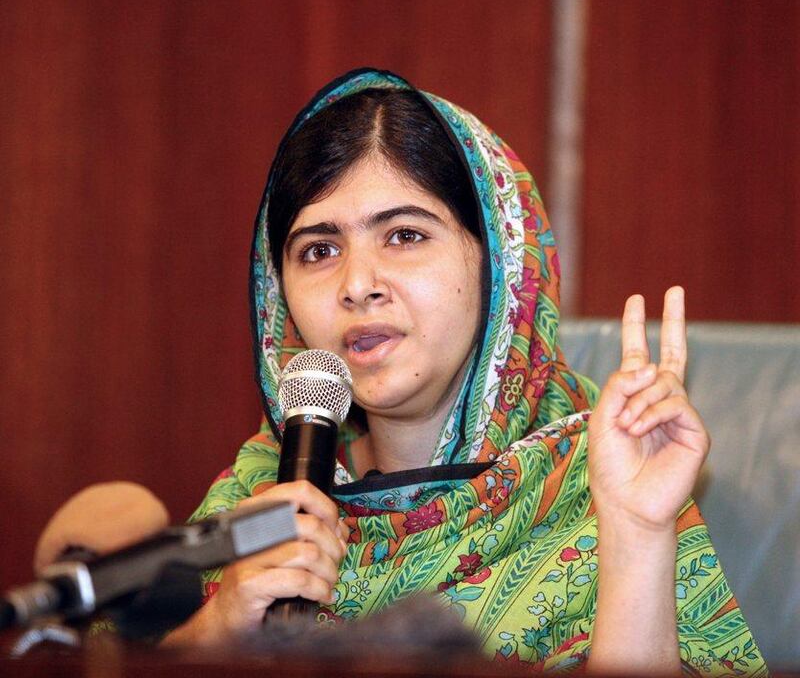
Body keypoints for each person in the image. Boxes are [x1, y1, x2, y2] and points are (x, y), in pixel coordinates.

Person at [163, 69, 766, 675]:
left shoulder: (606, 476)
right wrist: (217, 626)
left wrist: (635, 535)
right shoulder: (264, 488)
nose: (357, 285)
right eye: (319, 250)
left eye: (403, 235)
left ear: (499, 265)